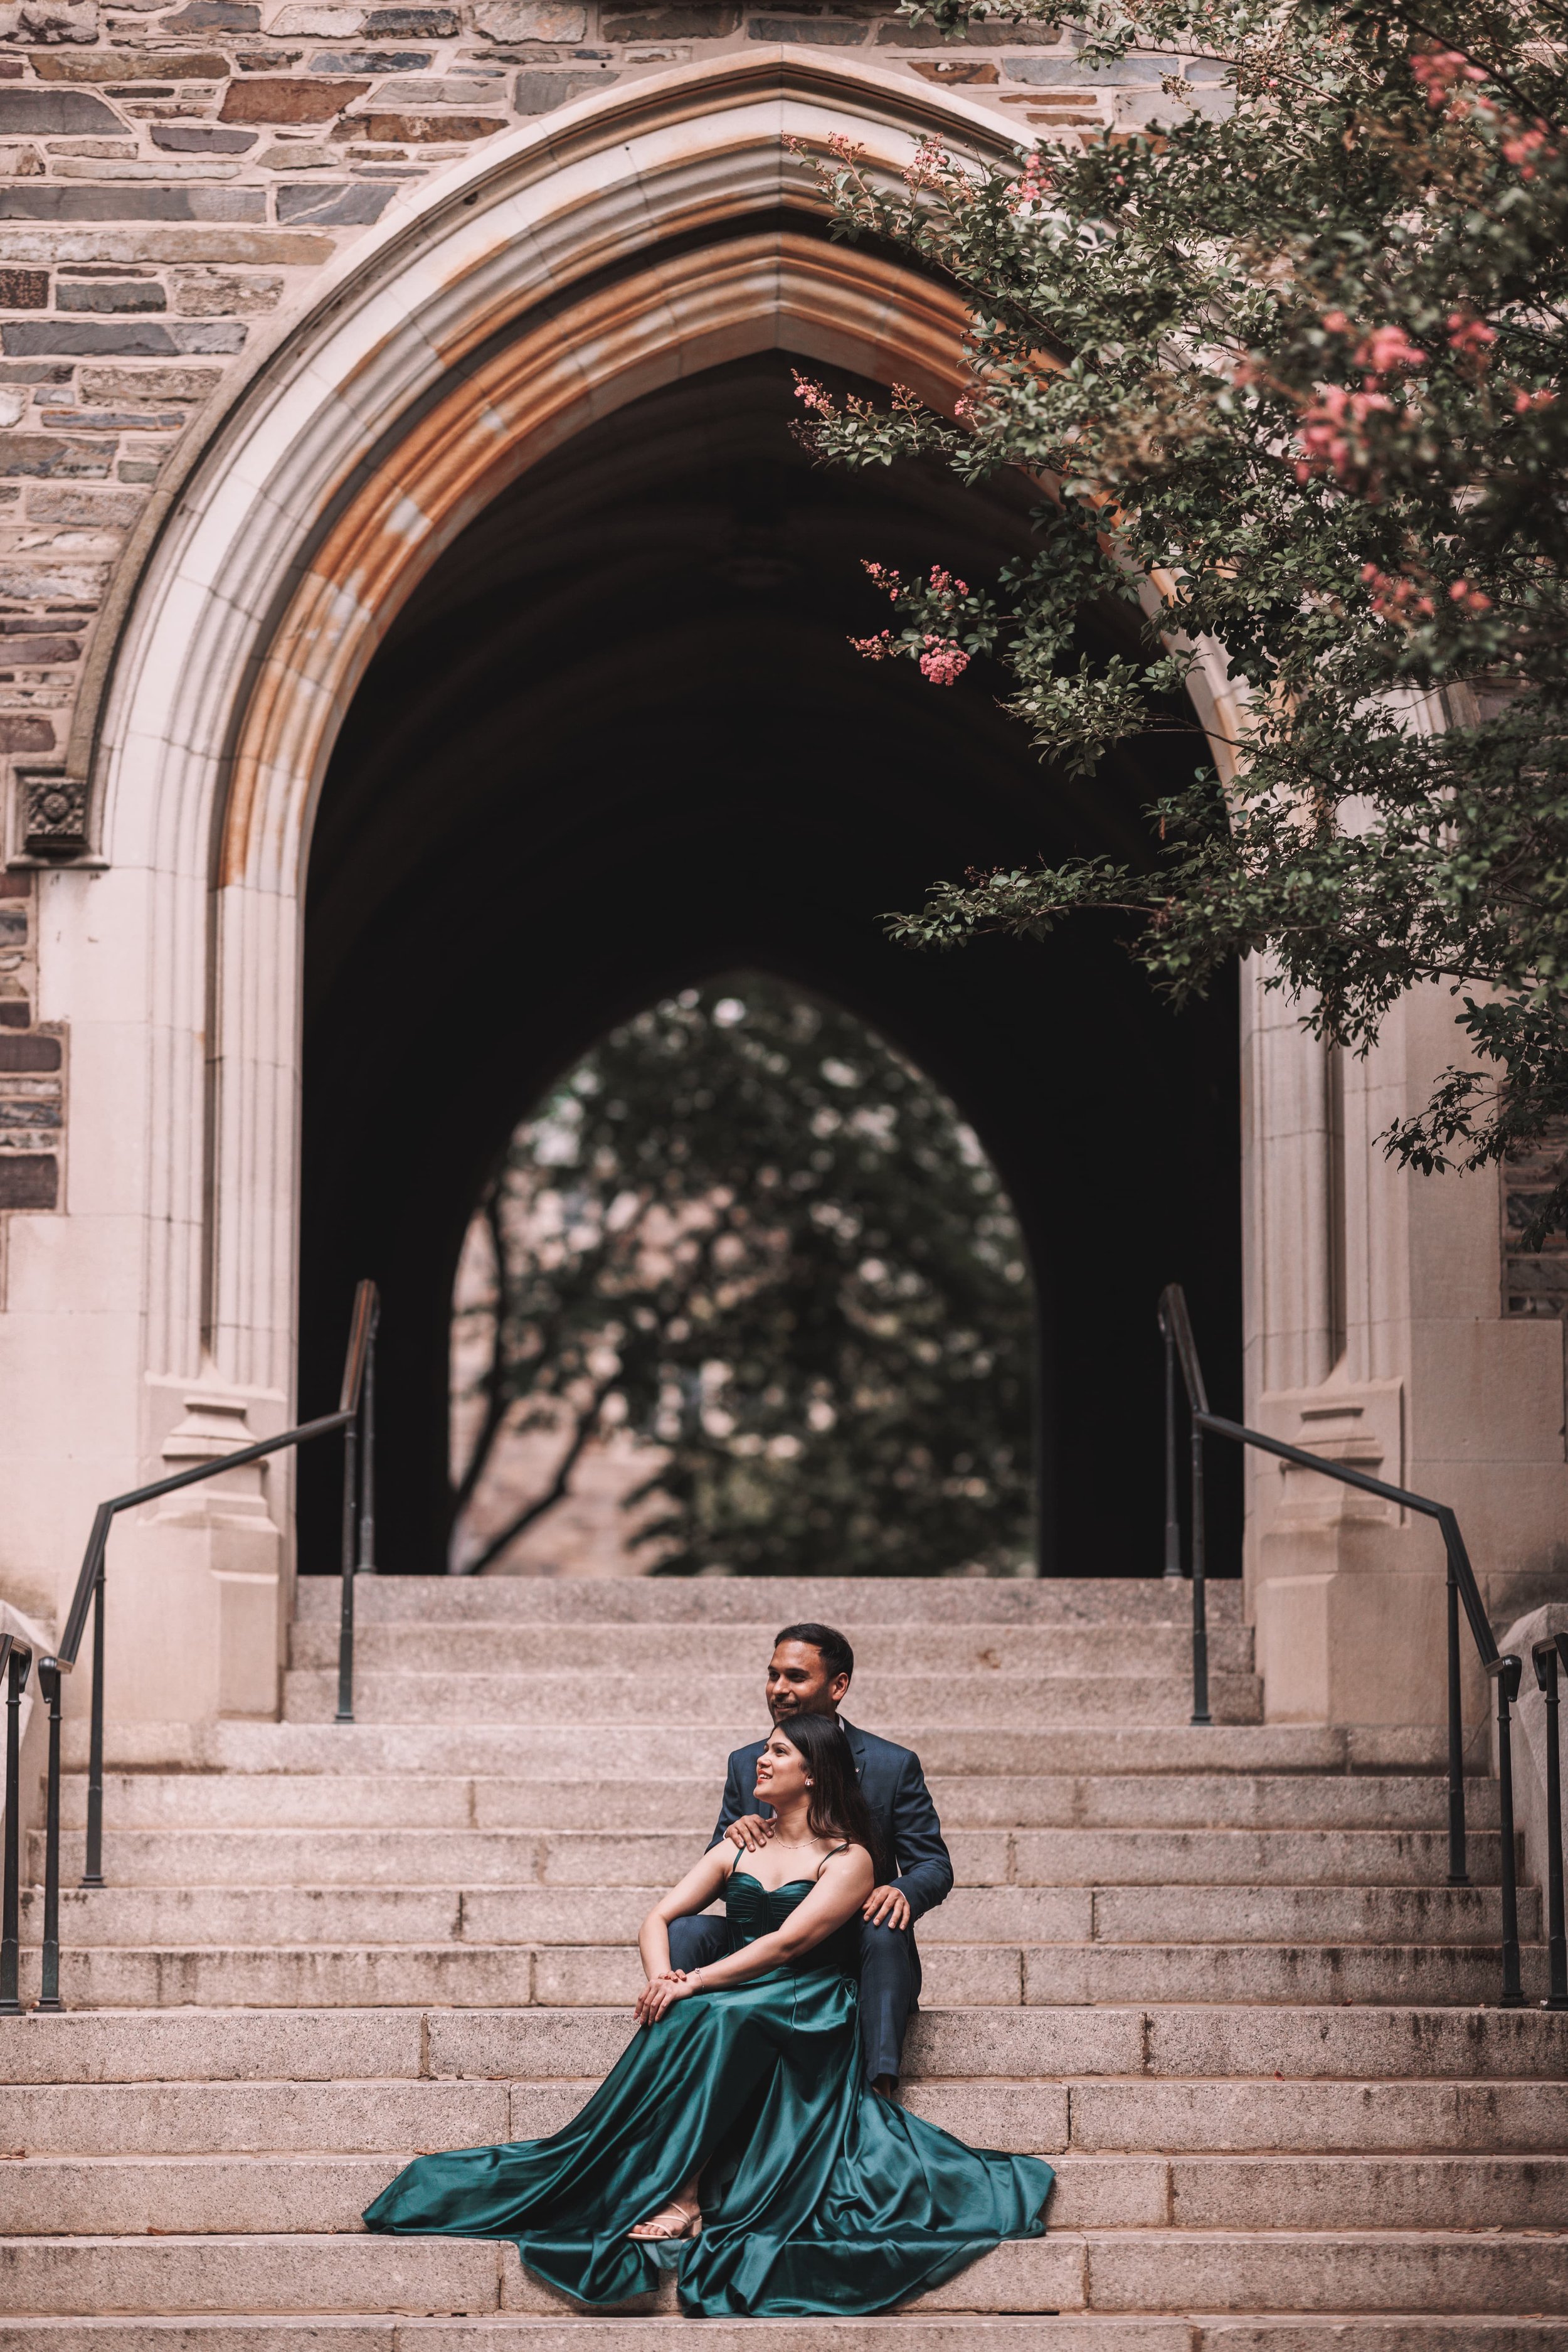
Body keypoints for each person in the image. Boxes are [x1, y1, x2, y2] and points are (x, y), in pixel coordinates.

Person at [363, 1709, 1051, 2316]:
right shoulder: (740, 1841)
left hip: (808, 1997)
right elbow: (661, 1913)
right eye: (767, 1749)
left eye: (780, 1752)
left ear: (814, 1775)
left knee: (718, 2015)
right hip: (736, 1985)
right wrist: (662, 1975)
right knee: (697, 2012)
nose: (762, 1757)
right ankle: (641, 2172)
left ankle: (686, 2191)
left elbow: (790, 1943)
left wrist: (694, 1982)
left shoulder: (852, 1858)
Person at [669, 1619, 951, 2093]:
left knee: (884, 1927)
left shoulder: (892, 1763)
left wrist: (900, 1889)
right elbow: (716, 1867)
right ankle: (676, 2059)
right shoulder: (748, 1761)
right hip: (763, 1935)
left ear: (838, 1685)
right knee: (687, 1926)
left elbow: (934, 1865)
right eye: (773, 1674)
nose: (778, 1689)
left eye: (796, 1677)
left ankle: (878, 2086)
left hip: (849, 1937)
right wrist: (731, 1837)